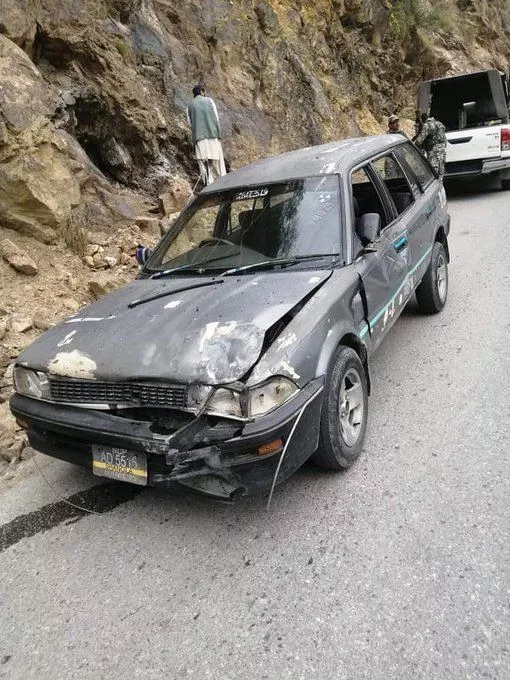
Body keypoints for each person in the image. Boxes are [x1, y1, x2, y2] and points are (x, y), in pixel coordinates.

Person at [187, 85, 226, 186]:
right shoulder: (210, 101)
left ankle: (208, 184)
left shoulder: (189, 106)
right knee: (217, 162)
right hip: (213, 135)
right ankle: (222, 183)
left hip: (199, 138)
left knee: (203, 163)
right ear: (202, 92)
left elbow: (190, 123)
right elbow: (216, 118)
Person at [415, 112, 447, 178]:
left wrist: (414, 146)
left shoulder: (427, 125)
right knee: (441, 172)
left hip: (433, 152)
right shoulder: (439, 123)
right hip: (442, 151)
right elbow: (444, 137)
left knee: (433, 173)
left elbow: (419, 141)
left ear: (423, 120)